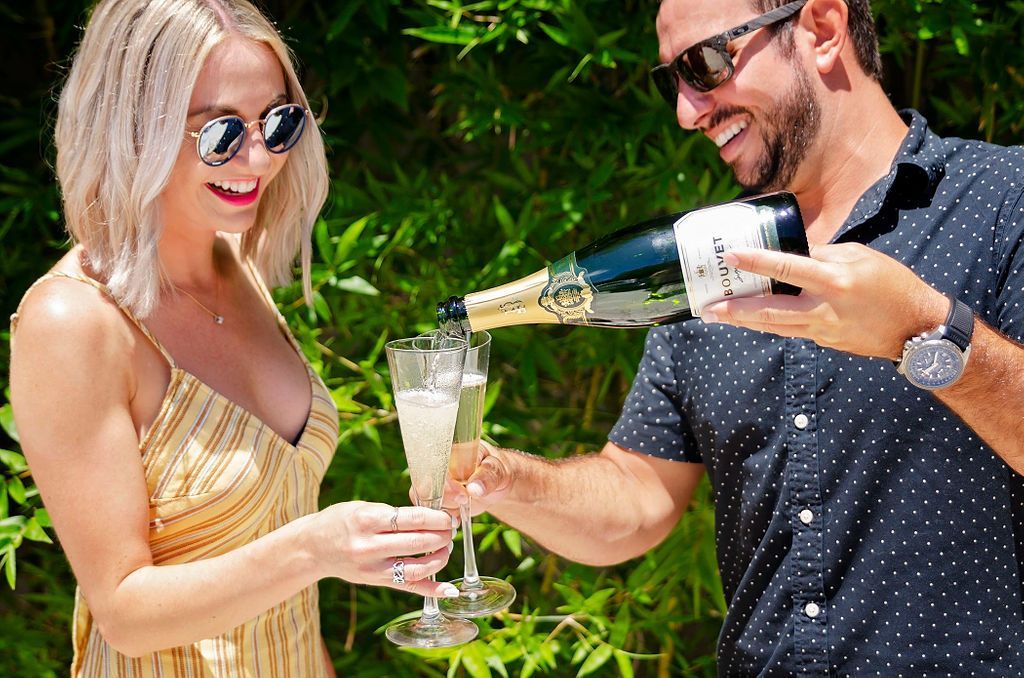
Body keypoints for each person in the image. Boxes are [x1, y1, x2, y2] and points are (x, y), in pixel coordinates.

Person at [452, 0, 1024, 674]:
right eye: (674, 82)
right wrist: (505, 480)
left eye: (704, 64)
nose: (687, 112)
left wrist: (922, 329)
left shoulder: (1004, 200)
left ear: (821, 28)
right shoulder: (705, 258)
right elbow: (639, 496)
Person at [8, 1, 458, 675]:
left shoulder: (234, 263)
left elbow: (283, 606)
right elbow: (124, 615)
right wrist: (315, 550)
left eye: (278, 122)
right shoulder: (72, 323)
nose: (258, 157)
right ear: (131, 129)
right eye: (220, 132)